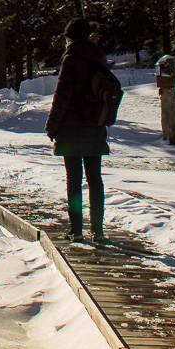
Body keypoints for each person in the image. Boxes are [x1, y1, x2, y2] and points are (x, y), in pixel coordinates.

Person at [45, 17, 111, 245]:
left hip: (71, 131)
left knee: (74, 180)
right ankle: (98, 230)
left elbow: (61, 96)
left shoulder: (71, 59)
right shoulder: (98, 57)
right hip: (95, 127)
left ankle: (77, 230)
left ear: (70, 37)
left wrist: (51, 126)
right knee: (95, 179)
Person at [156, 54, 175, 145]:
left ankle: (172, 135)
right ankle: (168, 134)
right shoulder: (162, 76)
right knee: (167, 111)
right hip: (165, 89)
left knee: (171, 110)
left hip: (169, 89)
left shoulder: (168, 78)